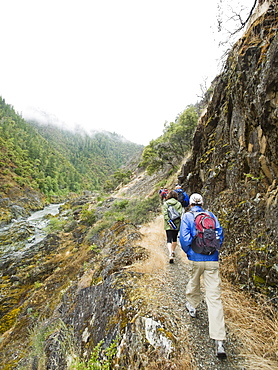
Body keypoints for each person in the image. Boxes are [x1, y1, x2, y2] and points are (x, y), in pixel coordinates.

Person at [179, 193, 227, 359]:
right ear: (202, 203)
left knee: (194, 282)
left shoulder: (187, 216)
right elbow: (220, 235)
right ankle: (219, 341)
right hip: (212, 259)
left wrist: (190, 253)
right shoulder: (211, 215)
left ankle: (192, 307)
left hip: (195, 258)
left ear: (190, 204)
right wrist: (213, 250)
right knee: (214, 298)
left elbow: (184, 239)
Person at [163, 190, 183, 263]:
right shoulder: (178, 204)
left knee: (169, 239)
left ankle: (170, 253)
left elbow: (165, 214)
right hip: (176, 224)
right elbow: (180, 214)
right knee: (174, 238)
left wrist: (168, 221)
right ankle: (173, 250)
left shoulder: (166, 204)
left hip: (168, 224)